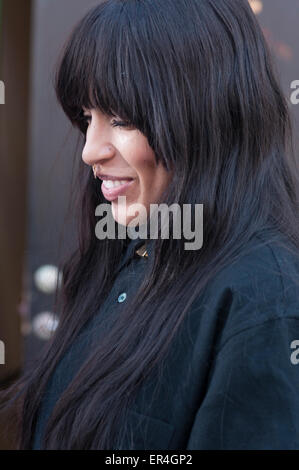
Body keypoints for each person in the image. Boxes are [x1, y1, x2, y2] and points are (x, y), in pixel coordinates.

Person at [1, 0, 299, 450]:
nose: (89, 150)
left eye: (120, 118)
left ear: (207, 114)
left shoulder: (263, 298)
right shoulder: (139, 244)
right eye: (87, 118)